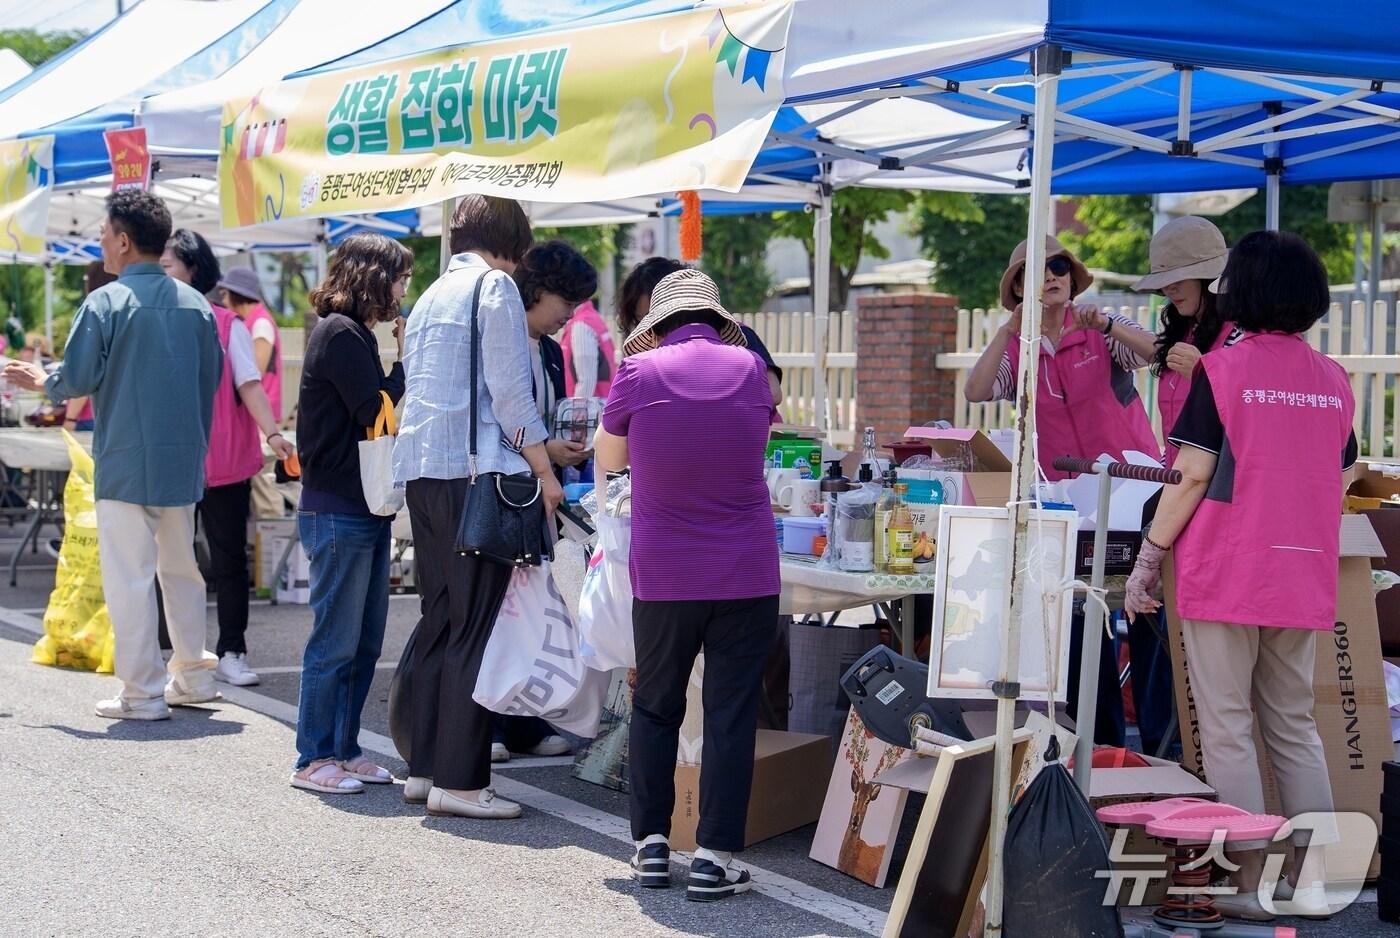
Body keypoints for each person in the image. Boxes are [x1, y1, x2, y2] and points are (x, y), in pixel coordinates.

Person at [1125, 230, 1357, 922]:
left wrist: (1147, 558)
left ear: (1241, 291)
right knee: (1294, 725)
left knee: (1227, 727)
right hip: (1302, 571)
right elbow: (1341, 476)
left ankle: (1248, 881)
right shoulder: (1334, 379)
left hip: (1226, 568)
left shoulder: (1223, 373)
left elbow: (1192, 474)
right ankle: (1314, 875)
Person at [594, 268, 778, 902]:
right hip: (747, 569)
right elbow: (763, 433)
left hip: (665, 571)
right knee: (730, 714)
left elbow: (611, 458)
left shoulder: (638, 373)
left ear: (656, 325)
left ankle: (649, 846)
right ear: (715, 319)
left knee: (656, 706)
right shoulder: (752, 369)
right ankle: (713, 857)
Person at [4, 190, 223, 720]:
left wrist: (41, 377)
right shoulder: (198, 306)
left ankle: (143, 693)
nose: (99, 240)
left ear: (123, 241)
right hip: (183, 455)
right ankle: (192, 675)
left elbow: (75, 378)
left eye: (103, 232)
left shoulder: (105, 302)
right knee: (182, 570)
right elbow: (210, 381)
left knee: (130, 576)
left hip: (126, 458)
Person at [393, 195, 562, 820]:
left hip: (424, 474)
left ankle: (425, 768)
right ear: (515, 244)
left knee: (440, 620)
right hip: (476, 475)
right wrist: (544, 470)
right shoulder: (494, 289)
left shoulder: (434, 293)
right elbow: (512, 395)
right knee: (475, 627)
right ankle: (460, 784)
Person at [965, 235, 1160, 746]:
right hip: (1066, 503)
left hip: (1133, 495)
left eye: (1057, 266)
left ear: (1072, 278)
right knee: (1078, 615)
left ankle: (1164, 743)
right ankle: (1102, 744)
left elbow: (1159, 353)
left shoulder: (1101, 329)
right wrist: (1009, 330)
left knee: (1145, 613)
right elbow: (977, 391)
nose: (1049, 275)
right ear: (1017, 290)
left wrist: (1110, 324)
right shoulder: (1021, 348)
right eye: (1033, 272)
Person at [291, 233, 411, 795]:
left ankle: (343, 747)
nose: (403, 288)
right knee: (336, 641)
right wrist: (404, 363)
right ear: (371, 276)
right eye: (399, 276)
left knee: (362, 641)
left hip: (357, 505)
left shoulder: (351, 333)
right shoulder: (340, 333)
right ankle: (313, 757)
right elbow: (374, 412)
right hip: (339, 507)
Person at [483, 238, 600, 764]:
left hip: (542, 491)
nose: (568, 317)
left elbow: (544, 420)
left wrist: (561, 449)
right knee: (500, 613)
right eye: (565, 304)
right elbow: (496, 418)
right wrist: (545, 452)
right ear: (538, 290)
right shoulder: (502, 336)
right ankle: (492, 725)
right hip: (503, 491)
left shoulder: (551, 352)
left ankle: (526, 721)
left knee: (539, 607)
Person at [162, 229, 294, 688]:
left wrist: (274, 434)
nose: (162, 274)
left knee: (227, 561)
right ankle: (176, 655)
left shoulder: (227, 324)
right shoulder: (158, 319)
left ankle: (231, 650)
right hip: (173, 462)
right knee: (172, 560)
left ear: (193, 269)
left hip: (223, 462)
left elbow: (249, 383)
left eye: (168, 266)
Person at [618, 257, 783, 405]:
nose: (651, 329)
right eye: (642, 320)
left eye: (658, 318)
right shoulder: (642, 359)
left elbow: (773, 393)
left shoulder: (742, 337)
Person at [217, 266, 283, 423]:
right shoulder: (251, 321)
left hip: (261, 414)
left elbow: (254, 374)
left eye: (225, 295)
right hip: (256, 411)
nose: (224, 301)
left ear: (237, 294)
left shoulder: (261, 324)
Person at [60, 262, 118, 433]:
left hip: (87, 417)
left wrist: (70, 418)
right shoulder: (122, 315)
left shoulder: (94, 313)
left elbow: (85, 372)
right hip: (111, 414)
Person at [561, 296, 616, 400]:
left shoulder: (581, 325)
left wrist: (576, 413)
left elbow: (586, 382)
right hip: (602, 404)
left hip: (590, 411)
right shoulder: (592, 317)